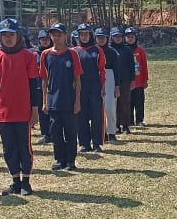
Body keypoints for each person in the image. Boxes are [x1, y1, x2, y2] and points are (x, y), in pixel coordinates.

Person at [0, 18, 42, 196]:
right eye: (4, 35)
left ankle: (26, 181)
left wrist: (35, 110)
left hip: (23, 109)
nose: (8, 39)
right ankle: (15, 180)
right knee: (9, 147)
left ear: (18, 36)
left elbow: (34, 85)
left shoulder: (28, 56)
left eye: (11, 35)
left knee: (24, 147)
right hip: (4, 110)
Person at [40, 23, 82, 170]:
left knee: (70, 132)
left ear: (65, 36)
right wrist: (44, 101)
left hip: (69, 99)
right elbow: (44, 80)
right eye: (53, 34)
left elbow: (77, 79)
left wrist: (77, 101)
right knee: (55, 132)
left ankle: (71, 160)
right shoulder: (45, 54)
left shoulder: (72, 54)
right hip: (53, 100)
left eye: (59, 34)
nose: (56, 38)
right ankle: (59, 159)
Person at [73, 24, 107, 152]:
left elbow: (102, 70)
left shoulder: (97, 50)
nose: (84, 37)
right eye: (81, 34)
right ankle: (84, 143)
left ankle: (97, 143)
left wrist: (103, 86)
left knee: (96, 114)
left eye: (86, 34)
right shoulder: (75, 51)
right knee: (82, 115)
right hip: (80, 86)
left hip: (95, 86)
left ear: (90, 35)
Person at [94, 27, 121, 142]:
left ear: (107, 38)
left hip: (109, 77)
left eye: (103, 38)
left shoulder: (112, 52)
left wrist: (117, 86)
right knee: (98, 108)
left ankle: (111, 132)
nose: (101, 40)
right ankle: (102, 132)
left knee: (110, 107)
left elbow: (117, 70)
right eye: (99, 38)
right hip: (95, 78)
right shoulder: (92, 51)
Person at [109, 27, 134, 135]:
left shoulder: (127, 49)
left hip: (125, 80)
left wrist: (132, 80)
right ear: (112, 37)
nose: (118, 38)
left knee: (124, 103)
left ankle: (125, 125)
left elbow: (132, 66)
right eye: (115, 36)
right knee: (113, 104)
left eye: (119, 36)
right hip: (111, 80)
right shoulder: (109, 49)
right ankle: (116, 125)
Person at [33, 29, 53, 144]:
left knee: (53, 110)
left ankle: (54, 132)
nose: (45, 42)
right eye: (42, 39)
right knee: (42, 111)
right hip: (38, 86)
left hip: (52, 85)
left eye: (47, 39)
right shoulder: (34, 54)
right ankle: (46, 134)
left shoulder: (53, 52)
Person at [132, 34, 149, 127]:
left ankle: (139, 120)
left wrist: (145, 80)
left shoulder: (140, 50)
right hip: (128, 83)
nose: (130, 39)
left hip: (139, 82)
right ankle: (129, 120)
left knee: (139, 102)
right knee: (128, 103)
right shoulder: (125, 50)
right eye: (128, 36)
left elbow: (144, 66)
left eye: (132, 37)